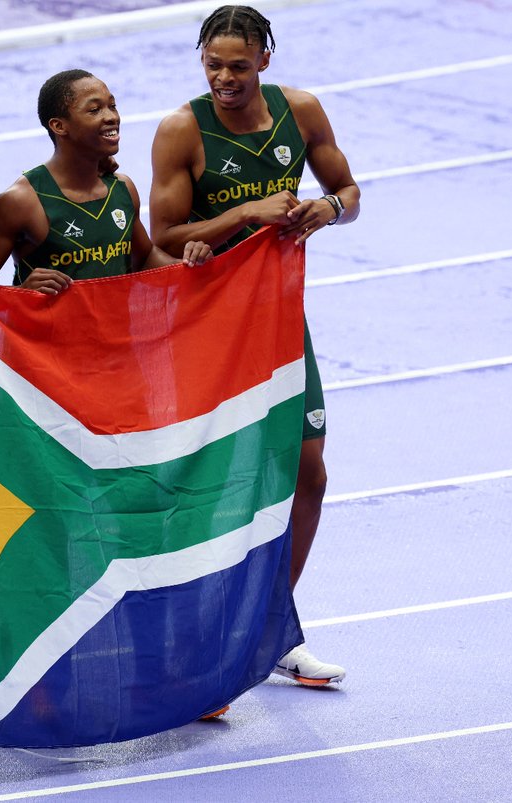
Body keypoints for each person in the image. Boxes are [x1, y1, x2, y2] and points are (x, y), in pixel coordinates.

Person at [149, 5, 360, 686]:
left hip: (279, 322)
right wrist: (246, 212)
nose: (224, 78)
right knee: (214, 489)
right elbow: (162, 236)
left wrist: (326, 209)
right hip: (208, 330)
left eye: (238, 65)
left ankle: (271, 627)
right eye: (213, 65)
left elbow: (349, 191)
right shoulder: (183, 130)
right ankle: (194, 642)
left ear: (265, 60)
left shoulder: (300, 112)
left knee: (309, 475)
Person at [0, 69, 211, 289]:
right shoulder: (21, 201)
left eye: (112, 106)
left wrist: (192, 266)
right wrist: (22, 293)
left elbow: (145, 256)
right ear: (59, 126)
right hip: (52, 332)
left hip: (120, 331)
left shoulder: (123, 188)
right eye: (94, 110)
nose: (111, 117)